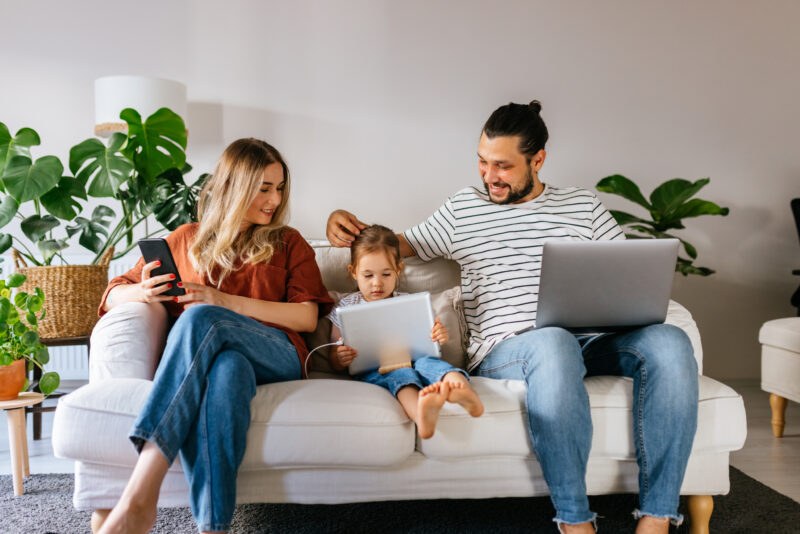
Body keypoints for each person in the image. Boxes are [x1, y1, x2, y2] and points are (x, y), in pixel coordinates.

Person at [326, 101, 698, 534]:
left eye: (502, 166)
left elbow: (628, 275)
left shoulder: (584, 207)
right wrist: (343, 224)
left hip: (596, 338)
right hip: (513, 348)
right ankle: (576, 522)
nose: (489, 176)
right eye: (482, 162)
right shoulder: (464, 208)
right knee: (553, 340)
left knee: (671, 341)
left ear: (537, 160)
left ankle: (656, 519)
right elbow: (387, 247)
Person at [97, 138, 333, 534]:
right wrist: (141, 292)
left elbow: (307, 318)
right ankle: (213, 527)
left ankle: (141, 491)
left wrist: (225, 302)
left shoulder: (288, 242)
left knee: (207, 315)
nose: (274, 199)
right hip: (221, 360)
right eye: (264, 188)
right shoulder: (186, 239)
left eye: (279, 188)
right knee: (226, 371)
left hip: (278, 354)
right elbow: (112, 292)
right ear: (232, 186)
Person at [328, 224, 484, 439]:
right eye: (368, 275)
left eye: (386, 273)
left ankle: (462, 390)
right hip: (376, 369)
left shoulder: (409, 302)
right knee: (401, 375)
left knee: (431, 364)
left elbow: (429, 342)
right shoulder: (345, 307)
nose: (377, 283)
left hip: (414, 358)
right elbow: (334, 357)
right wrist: (340, 357)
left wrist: (439, 336)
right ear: (353, 272)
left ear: (398, 270)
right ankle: (422, 417)